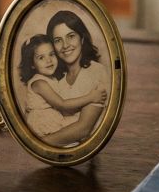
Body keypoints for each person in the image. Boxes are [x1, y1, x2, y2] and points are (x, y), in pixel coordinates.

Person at [43, 10, 110, 146]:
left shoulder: (96, 72)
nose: (65, 45)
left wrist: (38, 145)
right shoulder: (56, 80)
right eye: (58, 40)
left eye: (71, 36)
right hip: (56, 155)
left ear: (82, 38)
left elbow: (83, 129)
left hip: (84, 158)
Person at [18, 34, 106, 137]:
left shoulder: (53, 79)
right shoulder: (39, 83)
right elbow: (62, 104)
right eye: (41, 58)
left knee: (80, 128)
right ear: (32, 64)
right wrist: (90, 98)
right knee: (75, 134)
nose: (49, 60)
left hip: (53, 118)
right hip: (43, 123)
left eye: (52, 54)